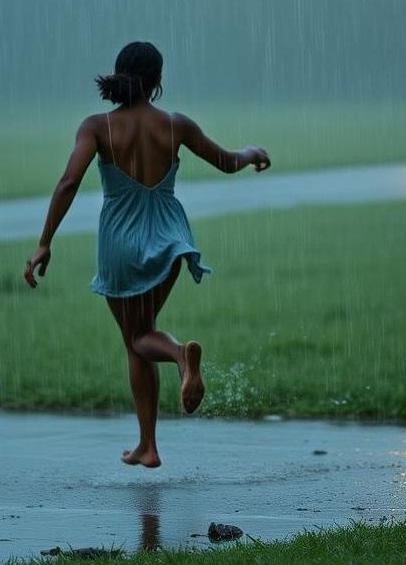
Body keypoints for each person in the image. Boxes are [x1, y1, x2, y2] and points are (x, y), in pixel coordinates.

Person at [24, 40, 271, 468]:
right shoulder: (176, 125)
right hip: (170, 238)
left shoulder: (96, 127)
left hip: (121, 241)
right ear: (157, 81)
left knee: (137, 340)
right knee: (142, 336)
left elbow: (68, 182)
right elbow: (227, 161)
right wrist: (251, 152)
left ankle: (179, 357)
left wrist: (45, 241)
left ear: (119, 74)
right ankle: (148, 445)